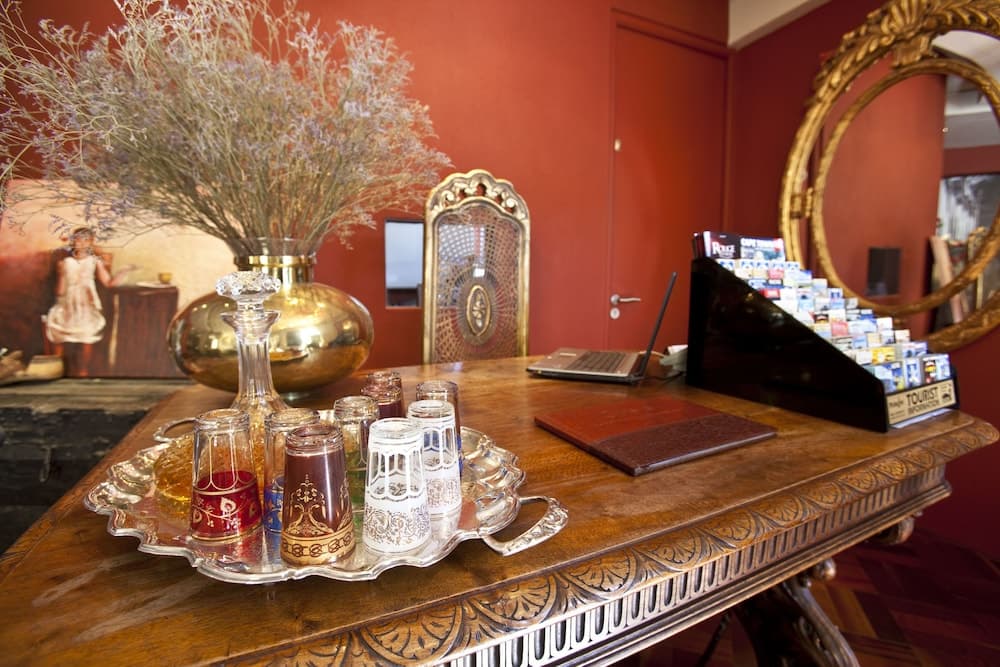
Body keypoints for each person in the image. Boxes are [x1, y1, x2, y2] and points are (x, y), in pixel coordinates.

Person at [43, 227, 136, 375]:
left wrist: (123, 272)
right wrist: (61, 275)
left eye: (85, 240)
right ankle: (59, 369)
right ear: (73, 241)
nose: (81, 243)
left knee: (87, 332)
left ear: (91, 243)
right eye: (78, 239)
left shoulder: (94, 261)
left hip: (86, 304)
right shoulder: (65, 262)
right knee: (58, 327)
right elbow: (59, 291)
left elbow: (109, 283)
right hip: (68, 303)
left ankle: (83, 370)